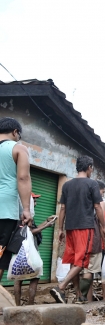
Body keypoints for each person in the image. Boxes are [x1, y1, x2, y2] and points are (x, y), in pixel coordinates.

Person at [50, 155, 105, 304]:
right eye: (92, 168)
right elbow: (97, 207)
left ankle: (78, 295)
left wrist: (60, 229)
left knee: (73, 259)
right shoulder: (92, 184)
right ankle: (61, 287)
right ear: (89, 168)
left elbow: (62, 208)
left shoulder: (67, 185)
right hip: (85, 226)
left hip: (70, 227)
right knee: (82, 261)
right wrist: (103, 225)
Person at [0, 117, 33, 281]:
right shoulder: (18, 149)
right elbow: (23, 178)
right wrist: (26, 209)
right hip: (4, 211)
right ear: (15, 132)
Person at [13, 193, 56, 306]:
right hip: (29, 252)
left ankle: (18, 306)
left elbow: (33, 229)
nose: (36, 203)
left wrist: (47, 221)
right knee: (34, 278)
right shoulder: (25, 216)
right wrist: (46, 226)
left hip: (19, 251)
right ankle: (29, 305)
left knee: (19, 278)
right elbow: (30, 232)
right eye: (34, 200)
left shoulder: (20, 214)